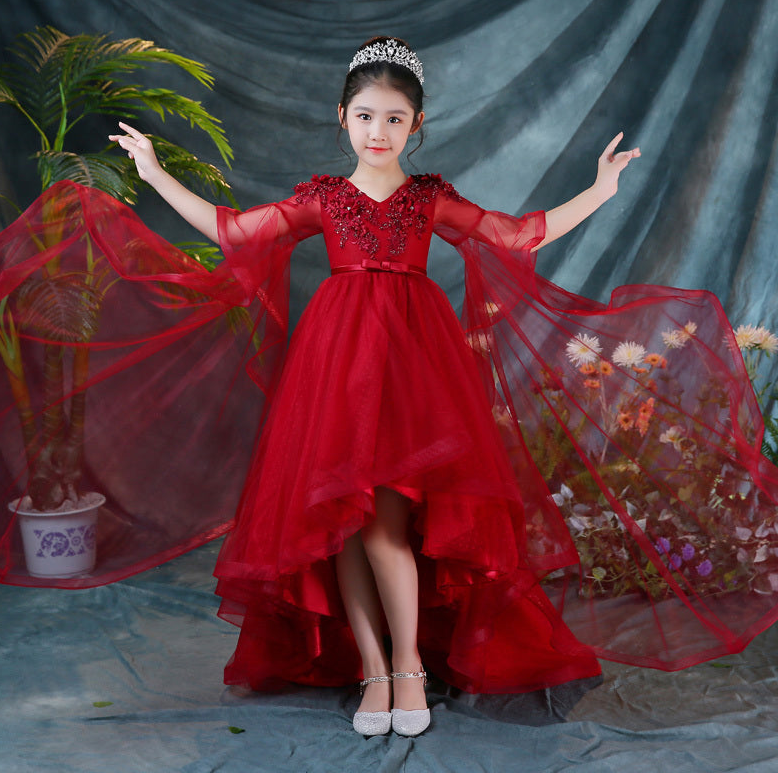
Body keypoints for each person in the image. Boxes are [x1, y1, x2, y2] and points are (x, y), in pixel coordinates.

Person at [110, 36, 641, 737]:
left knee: (388, 525)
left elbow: (515, 237)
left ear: (415, 126)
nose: (378, 131)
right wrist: (152, 175)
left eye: (394, 118)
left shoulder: (428, 198)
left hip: (413, 366)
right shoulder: (324, 199)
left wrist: (600, 190)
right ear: (342, 118)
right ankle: (375, 670)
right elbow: (235, 229)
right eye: (365, 116)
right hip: (336, 367)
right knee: (348, 528)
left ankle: (410, 668)